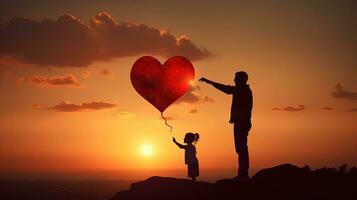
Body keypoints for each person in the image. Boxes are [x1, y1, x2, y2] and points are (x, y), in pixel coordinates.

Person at [199, 71, 252, 181]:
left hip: (241, 123)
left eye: (236, 78)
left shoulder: (241, 90)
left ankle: (243, 174)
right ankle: (243, 173)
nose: (234, 80)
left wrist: (209, 82)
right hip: (242, 122)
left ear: (241, 80)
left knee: (241, 149)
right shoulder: (243, 90)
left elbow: (225, 89)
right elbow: (227, 89)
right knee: (241, 148)